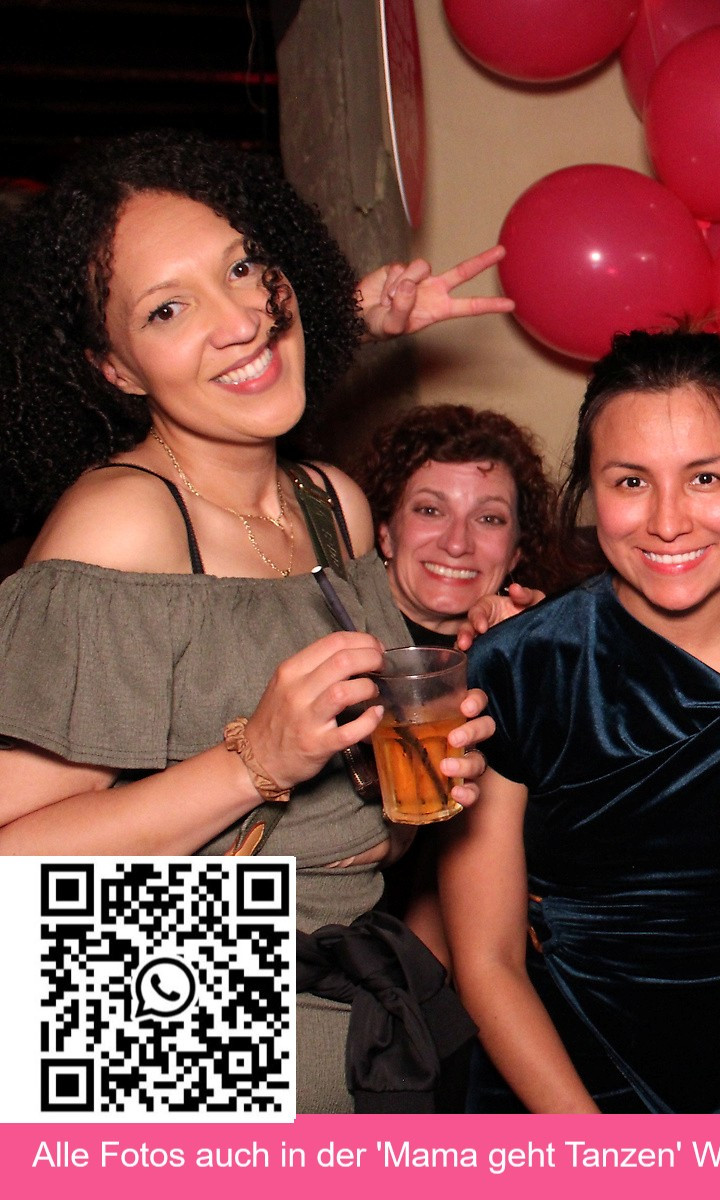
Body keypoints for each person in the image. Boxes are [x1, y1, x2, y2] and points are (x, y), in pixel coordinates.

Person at [0, 130, 509, 1113]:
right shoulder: (124, 523)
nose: (239, 319)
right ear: (116, 368)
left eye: (242, 267)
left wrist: (409, 785)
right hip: (174, 1022)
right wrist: (254, 763)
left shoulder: (331, 502)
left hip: (349, 1000)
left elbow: (350, 815)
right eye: (166, 308)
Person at [441, 328, 720, 1114]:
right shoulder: (514, 668)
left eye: (705, 477)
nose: (667, 520)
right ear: (592, 491)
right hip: (550, 1101)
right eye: (630, 482)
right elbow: (485, 959)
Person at [355, 404, 565, 650]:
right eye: (430, 510)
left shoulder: (530, 643)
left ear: (516, 553)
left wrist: (546, 654)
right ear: (385, 534)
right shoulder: (330, 624)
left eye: (488, 519)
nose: (456, 544)